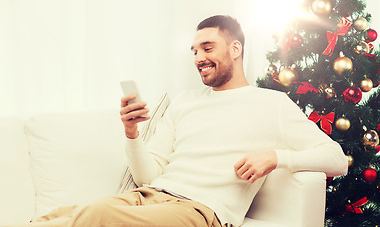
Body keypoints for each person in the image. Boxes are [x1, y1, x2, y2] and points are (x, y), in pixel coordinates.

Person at [4, 15, 348, 227]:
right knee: (63, 215)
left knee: (93, 219)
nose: (198, 58)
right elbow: (148, 176)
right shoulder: (185, 102)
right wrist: (131, 133)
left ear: (235, 49)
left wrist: (276, 157)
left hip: (200, 212)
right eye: (194, 51)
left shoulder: (272, 104)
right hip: (149, 196)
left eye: (207, 47)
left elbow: (336, 158)